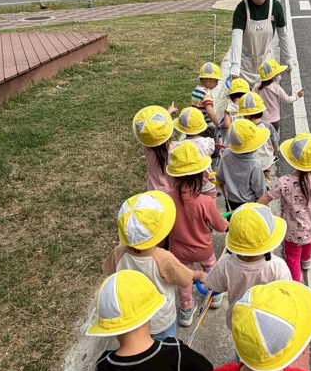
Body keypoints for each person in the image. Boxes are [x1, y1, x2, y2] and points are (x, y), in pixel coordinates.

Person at [101, 192, 207, 342]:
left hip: (134, 318)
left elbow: (108, 271)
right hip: (161, 320)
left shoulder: (118, 252)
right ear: (160, 235)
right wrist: (200, 275)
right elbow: (185, 278)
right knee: (167, 347)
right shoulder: (163, 258)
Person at [166, 141, 229, 327]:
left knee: (184, 277)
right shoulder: (205, 201)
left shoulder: (167, 199)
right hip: (203, 249)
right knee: (211, 268)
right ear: (201, 176)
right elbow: (219, 226)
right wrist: (228, 225)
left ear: (174, 177)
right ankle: (214, 295)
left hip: (178, 251)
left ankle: (186, 310)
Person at [258, 133, 311, 282]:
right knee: (309, 242)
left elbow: (267, 197)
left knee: (292, 255)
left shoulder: (285, 182)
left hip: (292, 229)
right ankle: (306, 261)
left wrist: (254, 207)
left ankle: (295, 280)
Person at [204, 203, 291, 331]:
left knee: (241, 343)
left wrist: (198, 276)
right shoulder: (278, 266)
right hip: (267, 322)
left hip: (238, 320)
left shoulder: (225, 263)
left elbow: (214, 286)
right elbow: (286, 296)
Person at [230, 0, 293, 86]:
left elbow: (283, 35)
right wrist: (235, 65)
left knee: (269, 94)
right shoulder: (242, 8)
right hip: (246, 65)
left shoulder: (275, 6)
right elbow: (236, 38)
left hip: (267, 61)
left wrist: (288, 58)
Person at [216, 117, 267, 212]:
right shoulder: (254, 163)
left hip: (231, 201)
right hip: (249, 203)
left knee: (233, 219)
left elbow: (220, 177)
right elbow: (259, 188)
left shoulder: (226, 153)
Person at [173, 107, 216, 199]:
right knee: (211, 203)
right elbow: (214, 153)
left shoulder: (180, 146)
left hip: (190, 185)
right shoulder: (208, 142)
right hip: (208, 183)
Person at [132, 104, 176, 195]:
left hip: (153, 188)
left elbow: (151, 132)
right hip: (172, 189)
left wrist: (168, 112)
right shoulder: (174, 150)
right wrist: (167, 113)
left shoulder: (147, 150)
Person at [252, 58, 304, 129]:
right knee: (274, 135)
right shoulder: (276, 87)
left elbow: (253, 100)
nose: (278, 75)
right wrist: (297, 96)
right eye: (277, 74)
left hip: (262, 119)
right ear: (272, 77)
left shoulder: (256, 86)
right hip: (274, 119)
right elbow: (287, 99)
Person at [237, 91, 278, 176]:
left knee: (253, 177)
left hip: (250, 162)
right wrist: (276, 149)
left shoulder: (244, 128)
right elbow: (275, 142)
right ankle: (267, 182)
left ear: (247, 115)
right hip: (266, 160)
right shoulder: (267, 125)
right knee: (266, 175)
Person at [191, 62, 222, 130]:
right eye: (216, 81)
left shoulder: (195, 90)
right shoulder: (206, 94)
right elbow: (209, 111)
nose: (217, 84)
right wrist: (217, 124)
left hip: (196, 124)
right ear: (206, 79)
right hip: (206, 126)